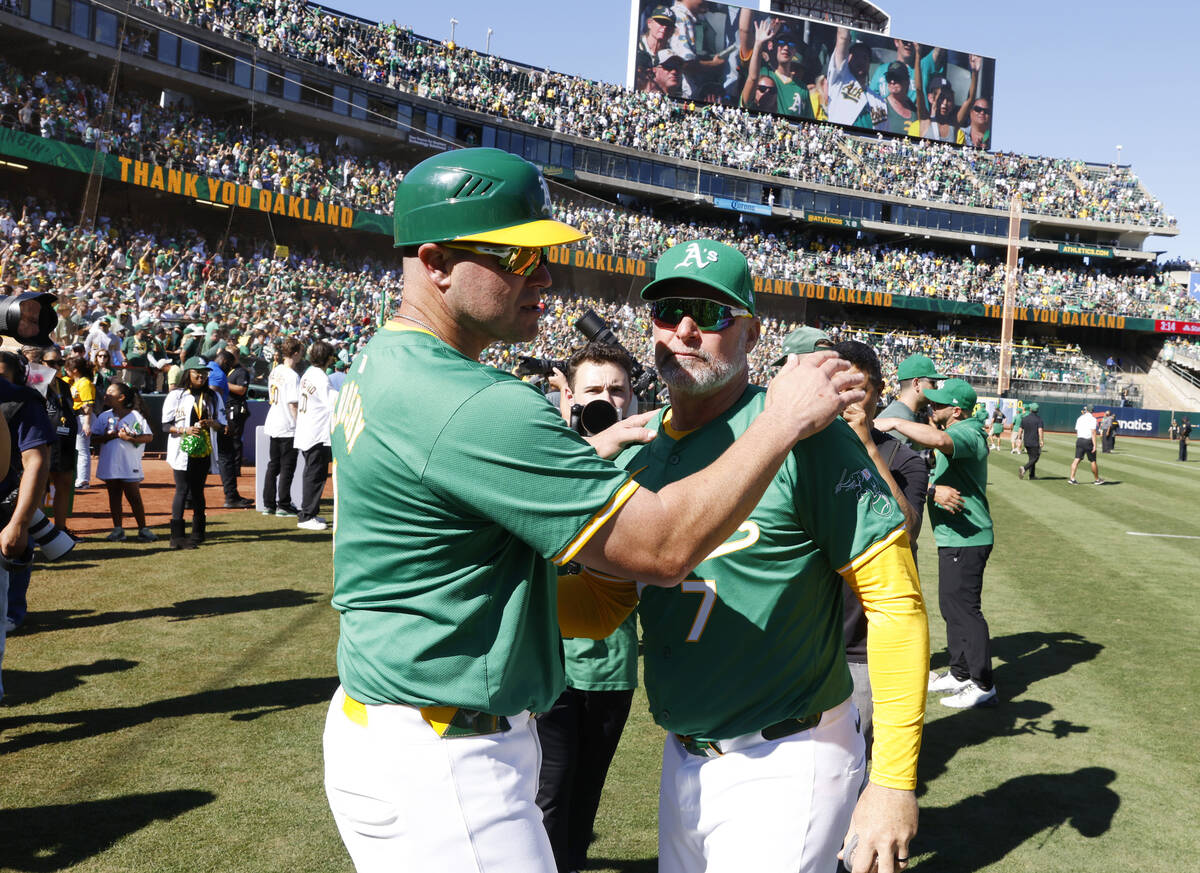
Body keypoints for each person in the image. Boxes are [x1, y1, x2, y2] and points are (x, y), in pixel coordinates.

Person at [322, 149, 866, 873]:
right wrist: (781, 420)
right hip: (444, 762)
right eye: (517, 255)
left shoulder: (384, 359)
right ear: (436, 262)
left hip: (397, 729)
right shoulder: (475, 404)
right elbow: (665, 548)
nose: (542, 277)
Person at [584, 241, 926, 873]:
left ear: (751, 331)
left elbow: (896, 607)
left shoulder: (805, 433)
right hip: (684, 751)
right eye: (669, 310)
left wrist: (894, 780)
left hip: (789, 753)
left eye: (711, 314)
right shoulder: (643, 446)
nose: (685, 329)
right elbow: (601, 606)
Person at [536, 343, 640, 873]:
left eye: (617, 390)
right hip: (547, 669)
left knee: (585, 795)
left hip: (611, 667)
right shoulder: (544, 453)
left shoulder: (644, 462)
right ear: (570, 398)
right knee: (547, 796)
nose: (606, 400)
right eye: (593, 391)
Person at [831, 338, 928, 765]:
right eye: (840, 387)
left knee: (857, 763)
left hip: (864, 644)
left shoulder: (903, 459)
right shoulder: (804, 449)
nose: (848, 398)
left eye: (860, 389)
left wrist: (867, 448)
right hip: (809, 633)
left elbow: (907, 529)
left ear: (879, 393)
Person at [877, 378, 996, 710]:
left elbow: (941, 439)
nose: (933, 406)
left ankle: (982, 683)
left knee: (964, 610)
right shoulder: (961, 428)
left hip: (967, 537)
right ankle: (959, 673)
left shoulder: (967, 432)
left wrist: (896, 421)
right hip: (955, 536)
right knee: (951, 606)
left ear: (956, 411)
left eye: (941, 404)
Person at [162, 357, 226, 549]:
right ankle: (177, 536)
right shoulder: (177, 395)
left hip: (203, 450)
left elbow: (223, 425)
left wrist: (213, 424)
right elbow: (166, 426)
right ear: (187, 374)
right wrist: (185, 430)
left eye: (204, 372)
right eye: (196, 372)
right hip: (183, 449)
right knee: (182, 489)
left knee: (198, 491)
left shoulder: (214, 396)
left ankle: (198, 533)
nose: (201, 375)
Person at [92, 382, 155, 542]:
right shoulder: (104, 416)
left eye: (111, 392)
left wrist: (130, 438)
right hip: (110, 462)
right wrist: (108, 436)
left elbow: (148, 436)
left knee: (133, 496)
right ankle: (118, 529)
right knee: (114, 496)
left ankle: (143, 529)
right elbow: (94, 438)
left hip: (129, 463)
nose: (106, 395)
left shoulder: (135, 416)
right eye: (106, 391)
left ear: (121, 398)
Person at [293, 340, 337, 531]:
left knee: (312, 473)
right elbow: (333, 402)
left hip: (307, 430)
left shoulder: (309, 373)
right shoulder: (320, 376)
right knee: (315, 475)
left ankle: (309, 513)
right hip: (316, 432)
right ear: (328, 358)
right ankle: (306, 516)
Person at [262, 336, 303, 517]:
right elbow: (293, 404)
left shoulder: (276, 370)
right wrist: (299, 425)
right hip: (287, 424)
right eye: (300, 352)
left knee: (273, 465)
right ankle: (284, 504)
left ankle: (268, 503)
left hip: (274, 420)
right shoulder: (292, 375)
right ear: (295, 353)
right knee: (287, 467)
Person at [878, 354, 947, 446]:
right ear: (916, 384)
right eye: (933, 383)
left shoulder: (905, 415)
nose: (936, 387)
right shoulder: (897, 419)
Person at [826, 27, 888, 130]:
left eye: (865, 57)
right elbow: (842, 38)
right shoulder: (839, 80)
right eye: (856, 56)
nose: (860, 61)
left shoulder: (879, 102)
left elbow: (884, 132)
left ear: (869, 63)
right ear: (848, 58)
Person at [214, 350, 253, 508]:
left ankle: (235, 474)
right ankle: (231, 496)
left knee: (234, 444)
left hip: (233, 410)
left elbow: (242, 390)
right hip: (220, 416)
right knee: (226, 454)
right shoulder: (219, 373)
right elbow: (214, 392)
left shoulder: (240, 371)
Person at [64, 356, 96, 490]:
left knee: (82, 450)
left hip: (83, 417)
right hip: (76, 417)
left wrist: (87, 424)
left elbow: (88, 406)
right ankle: (79, 478)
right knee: (77, 449)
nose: (65, 370)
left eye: (67, 368)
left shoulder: (85, 383)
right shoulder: (73, 382)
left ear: (75, 370)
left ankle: (83, 480)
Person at [1068, 406, 1104, 485]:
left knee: (1076, 459)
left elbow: (1077, 429)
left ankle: (1072, 478)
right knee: (1093, 461)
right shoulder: (1093, 419)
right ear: (1092, 411)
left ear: (1086, 410)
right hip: (1088, 441)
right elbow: (1093, 432)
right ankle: (1097, 479)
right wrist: (1095, 445)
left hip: (1079, 440)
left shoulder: (1079, 418)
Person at [1017, 402, 1045, 480]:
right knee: (1035, 458)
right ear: (1037, 410)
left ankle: (1032, 476)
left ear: (1030, 409)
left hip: (1026, 441)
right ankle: (1024, 468)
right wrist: (1041, 440)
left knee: (1031, 458)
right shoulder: (1039, 419)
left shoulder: (1025, 418)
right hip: (1034, 442)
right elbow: (1040, 430)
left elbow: (1020, 429)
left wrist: (1019, 439)